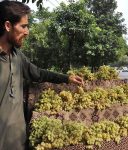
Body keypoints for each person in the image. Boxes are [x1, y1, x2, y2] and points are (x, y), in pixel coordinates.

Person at [0, 1, 84, 150]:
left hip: (19, 140)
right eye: (23, 26)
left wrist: (66, 78)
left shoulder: (17, 56)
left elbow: (37, 73)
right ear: (8, 26)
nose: (27, 32)